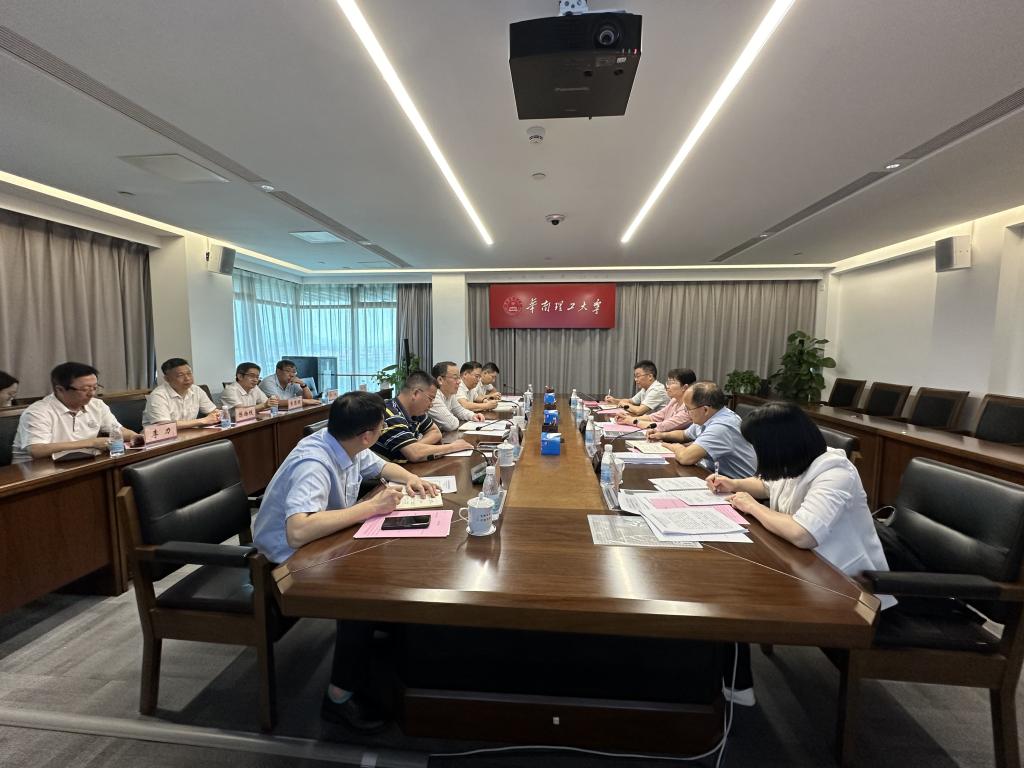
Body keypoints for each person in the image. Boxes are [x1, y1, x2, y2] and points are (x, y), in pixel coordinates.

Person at [252, 391, 440, 732]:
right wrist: (371, 508)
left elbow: (380, 465)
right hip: (289, 559)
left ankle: (381, 643)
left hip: (324, 539)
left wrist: (410, 478)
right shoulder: (313, 463)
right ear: (367, 434)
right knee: (362, 590)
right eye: (381, 426)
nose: (383, 430)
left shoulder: (345, 441)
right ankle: (338, 698)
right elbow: (297, 531)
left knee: (391, 562)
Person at [707, 401, 895, 705]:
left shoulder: (835, 472)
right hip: (805, 567)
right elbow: (769, 486)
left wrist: (752, 507)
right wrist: (735, 483)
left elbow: (803, 533)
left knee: (729, 591)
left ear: (778, 446)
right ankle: (727, 677)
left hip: (847, 586)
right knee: (722, 575)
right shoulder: (798, 461)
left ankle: (736, 686)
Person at [11, 361, 137, 462]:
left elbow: (117, 430)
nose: (92, 393)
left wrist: (135, 437)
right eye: (85, 389)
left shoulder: (97, 405)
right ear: (60, 389)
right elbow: (37, 450)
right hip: (33, 472)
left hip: (80, 463)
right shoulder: (38, 412)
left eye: (95, 387)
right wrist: (92, 442)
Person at [651, 381, 757, 478]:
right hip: (717, 477)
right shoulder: (709, 416)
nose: (687, 412)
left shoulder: (721, 427)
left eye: (688, 408)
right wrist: (661, 435)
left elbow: (685, 458)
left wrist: (675, 447)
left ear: (705, 409)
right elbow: (684, 434)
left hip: (740, 487)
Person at [372, 370, 472, 462]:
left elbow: (436, 432)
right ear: (416, 393)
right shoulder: (390, 414)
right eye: (430, 399)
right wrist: (453, 447)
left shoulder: (416, 411)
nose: (431, 405)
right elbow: (415, 454)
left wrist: (415, 446)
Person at [142, 358, 221, 428]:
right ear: (167, 378)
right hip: (161, 438)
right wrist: (203, 420)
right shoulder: (158, 395)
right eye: (180, 375)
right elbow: (164, 426)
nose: (187, 378)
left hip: (190, 434)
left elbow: (213, 412)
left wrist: (216, 415)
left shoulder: (196, 390)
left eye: (189, 373)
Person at [615, 367, 696, 434]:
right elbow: (654, 417)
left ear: (685, 387)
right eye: (667, 382)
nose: (667, 386)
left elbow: (663, 426)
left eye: (671, 383)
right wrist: (628, 418)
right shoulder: (674, 401)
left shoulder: (689, 408)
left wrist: (632, 421)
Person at [428, 361, 483, 432]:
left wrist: (473, 416)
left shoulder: (450, 393)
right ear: (440, 380)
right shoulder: (433, 397)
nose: (459, 381)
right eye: (455, 378)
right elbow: (451, 424)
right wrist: (454, 417)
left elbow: (459, 411)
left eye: (459, 378)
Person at [604, 360, 670, 416]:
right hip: (647, 421)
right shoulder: (645, 388)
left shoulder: (657, 390)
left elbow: (639, 411)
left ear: (650, 376)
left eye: (638, 376)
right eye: (635, 377)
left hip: (658, 424)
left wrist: (623, 403)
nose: (635, 379)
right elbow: (631, 401)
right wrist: (614, 400)